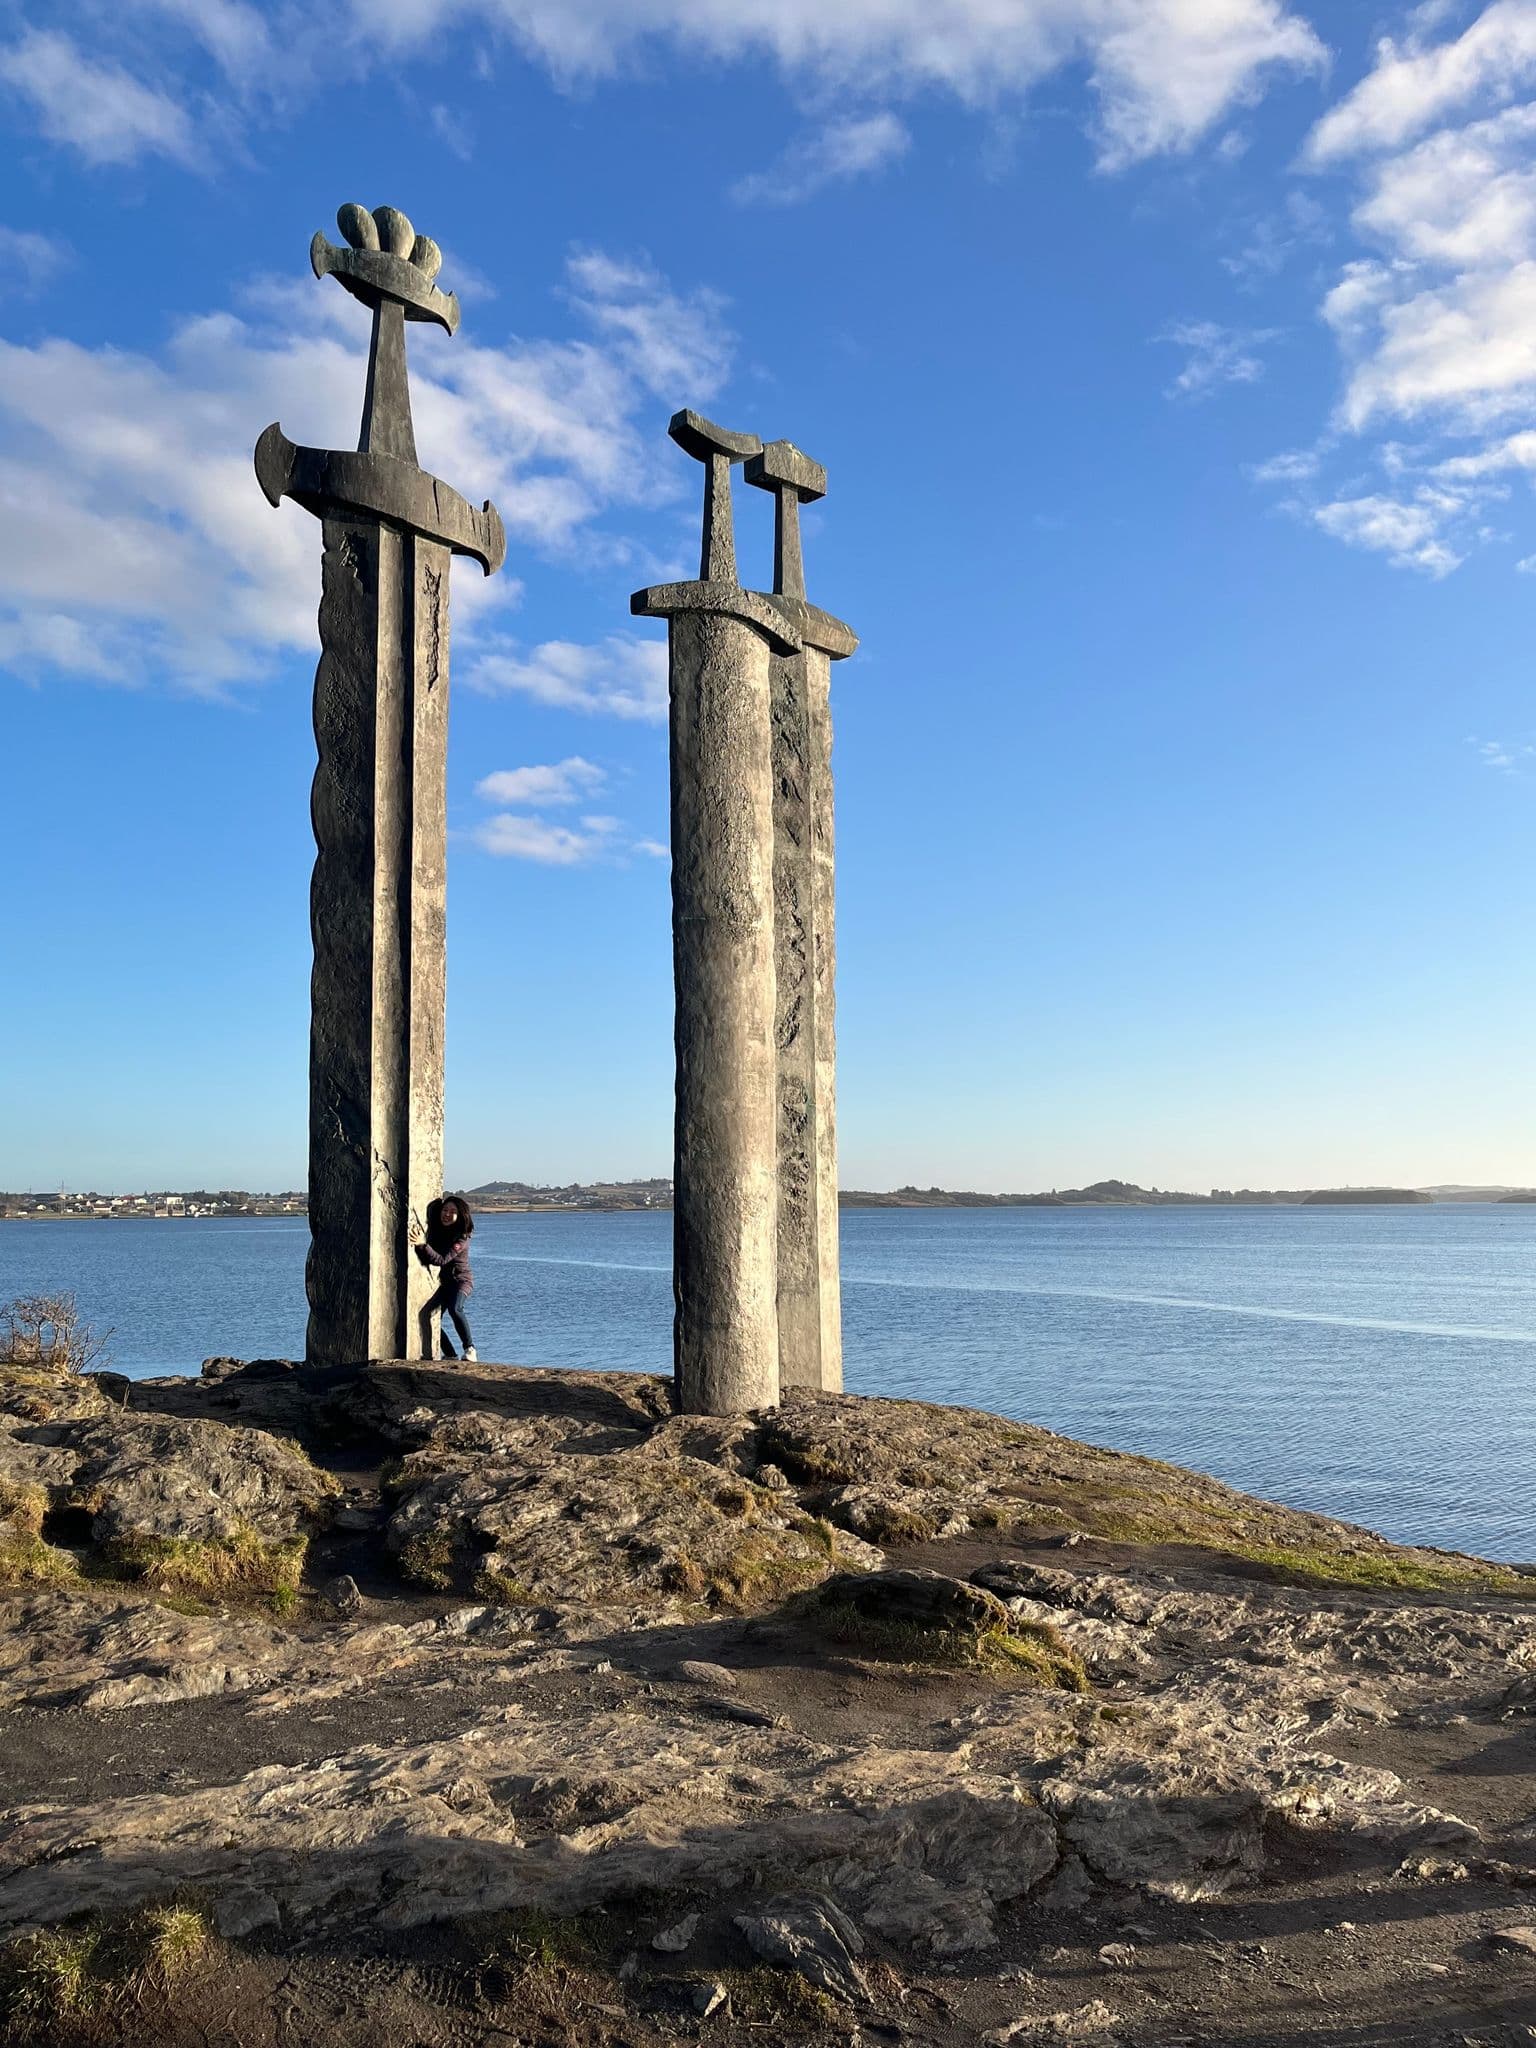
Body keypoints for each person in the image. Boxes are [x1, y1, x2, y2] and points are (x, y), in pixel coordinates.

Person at [416, 1194, 477, 1362]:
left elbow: (441, 1260)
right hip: (446, 1284)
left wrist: (422, 1245)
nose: (447, 1214)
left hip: (461, 1282)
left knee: (455, 1309)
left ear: (460, 1215)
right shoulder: (440, 1233)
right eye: (445, 1210)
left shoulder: (461, 1238)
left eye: (452, 1211)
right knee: (427, 1315)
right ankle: (450, 1353)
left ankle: (470, 1349)